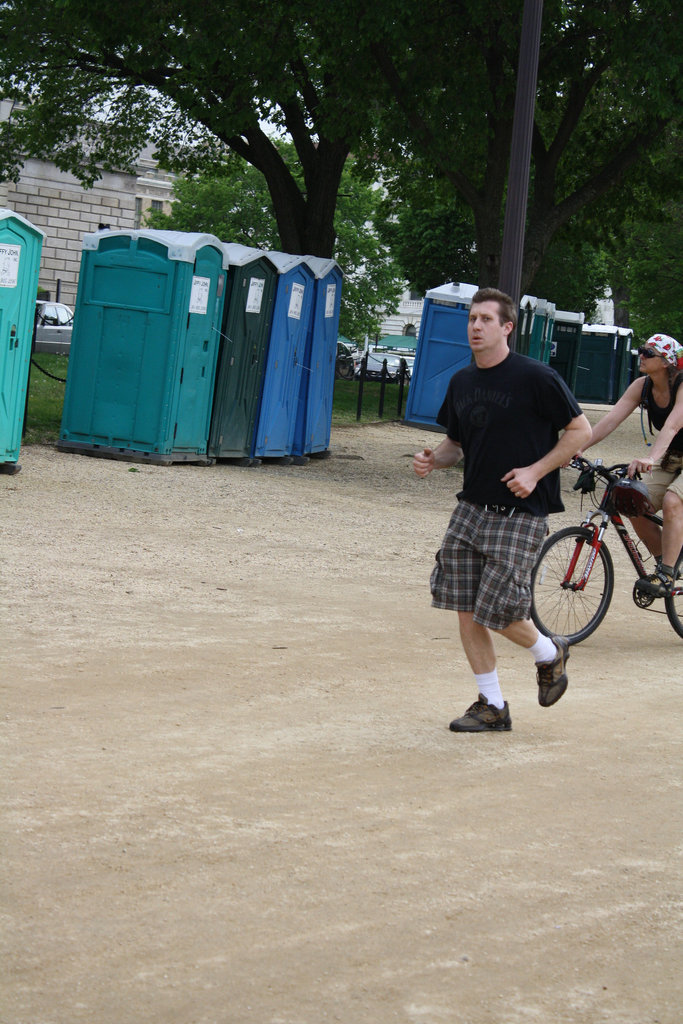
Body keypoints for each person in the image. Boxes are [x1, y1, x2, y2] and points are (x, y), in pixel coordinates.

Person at [413, 288, 591, 733]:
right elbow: (455, 444)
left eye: (486, 320)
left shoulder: (536, 377)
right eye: (472, 319)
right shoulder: (462, 383)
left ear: (507, 327)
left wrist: (536, 470)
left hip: (520, 512)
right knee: (464, 607)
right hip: (470, 510)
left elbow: (579, 430)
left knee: (500, 610)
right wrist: (434, 459)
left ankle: (550, 653)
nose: (475, 326)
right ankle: (491, 705)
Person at [580, 333, 683, 596]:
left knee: (673, 501)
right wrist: (577, 448)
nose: (642, 355)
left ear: (666, 362)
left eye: (649, 352)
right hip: (672, 457)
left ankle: (667, 575)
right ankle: (664, 563)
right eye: (641, 350)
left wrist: (650, 458)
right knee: (633, 500)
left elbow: (672, 426)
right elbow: (610, 421)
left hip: (667, 453)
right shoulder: (642, 386)